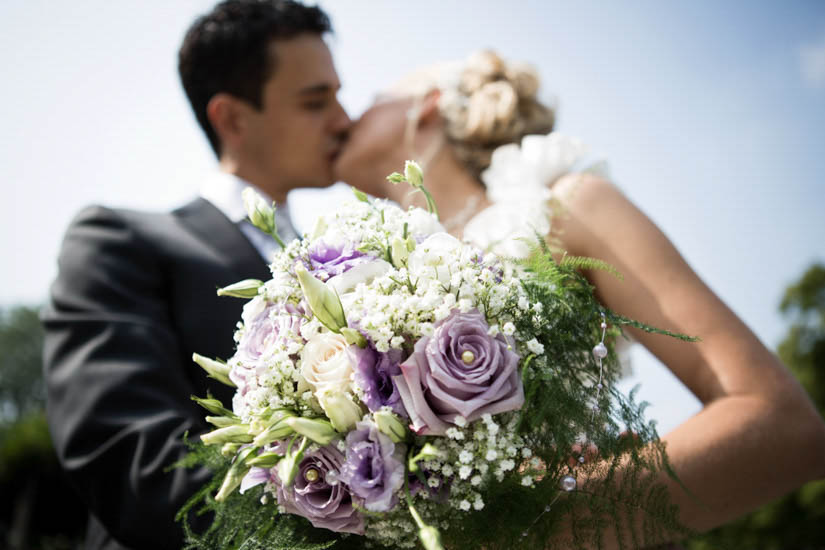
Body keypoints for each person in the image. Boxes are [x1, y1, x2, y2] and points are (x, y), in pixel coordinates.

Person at [333, 50, 825, 547]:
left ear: (429, 106)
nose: (348, 115)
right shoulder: (353, 287)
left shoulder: (565, 208)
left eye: (375, 100)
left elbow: (780, 422)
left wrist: (537, 522)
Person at [41, 2, 350, 549]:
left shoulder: (354, 262)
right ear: (232, 117)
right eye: (315, 101)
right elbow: (133, 461)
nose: (344, 120)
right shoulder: (120, 242)